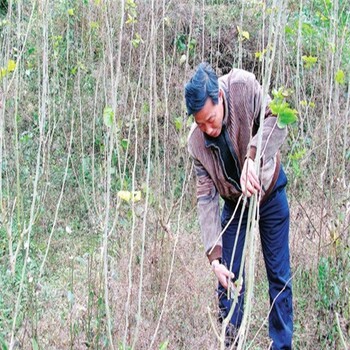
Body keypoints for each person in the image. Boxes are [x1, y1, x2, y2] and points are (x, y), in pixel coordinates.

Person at [185, 63, 293, 349]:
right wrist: (214, 258)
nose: (208, 128)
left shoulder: (243, 87)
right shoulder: (196, 144)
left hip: (269, 193)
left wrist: (253, 157)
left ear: (219, 97)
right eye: (200, 124)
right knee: (227, 281)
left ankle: (281, 346)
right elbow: (206, 198)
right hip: (234, 206)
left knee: (279, 279)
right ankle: (231, 343)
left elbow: (278, 119)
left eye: (211, 118)